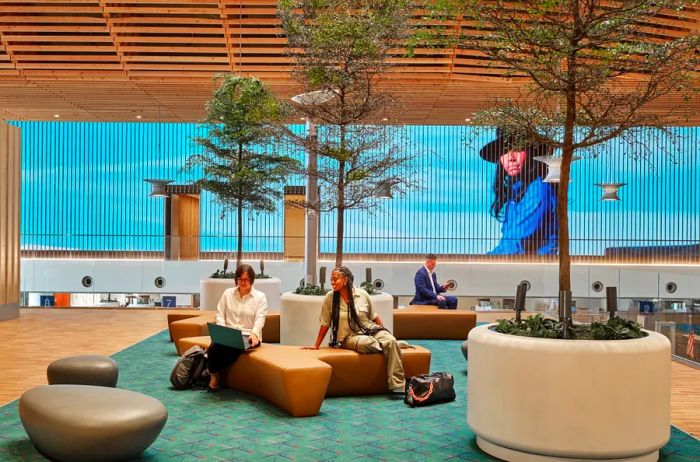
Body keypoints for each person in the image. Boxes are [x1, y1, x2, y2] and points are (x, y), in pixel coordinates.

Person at [304, 266, 405, 393]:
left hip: (370, 329)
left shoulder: (362, 294)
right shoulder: (330, 297)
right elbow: (325, 323)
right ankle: (392, 346)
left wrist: (386, 334)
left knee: (389, 340)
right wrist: (316, 345)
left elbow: (374, 317)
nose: (332, 282)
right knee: (369, 343)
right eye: (331, 280)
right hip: (349, 337)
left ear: (345, 280)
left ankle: (398, 385)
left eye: (335, 279)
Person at [479, 127, 558, 255]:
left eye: (516, 150)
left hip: (531, 269)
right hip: (521, 268)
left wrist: (481, 262)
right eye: (504, 152)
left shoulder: (538, 190)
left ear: (530, 153)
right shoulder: (517, 193)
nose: (510, 158)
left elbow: (514, 244)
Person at [205, 264, 267, 392]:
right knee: (219, 344)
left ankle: (213, 374)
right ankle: (214, 373)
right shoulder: (228, 293)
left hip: (248, 335)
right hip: (229, 332)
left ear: (252, 280)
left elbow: (260, 318)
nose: (242, 282)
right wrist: (222, 330)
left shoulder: (260, 297)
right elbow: (220, 313)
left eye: (246, 280)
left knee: (218, 348)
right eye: (240, 279)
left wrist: (255, 334)